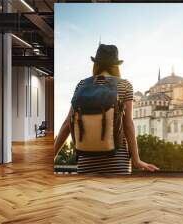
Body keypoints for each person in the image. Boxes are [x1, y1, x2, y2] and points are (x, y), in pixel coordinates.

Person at [54, 44, 159, 174]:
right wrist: (136, 160)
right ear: (116, 65)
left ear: (96, 64)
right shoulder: (124, 85)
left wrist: (52, 155)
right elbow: (128, 124)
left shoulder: (82, 85)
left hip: (86, 161)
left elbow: (67, 124)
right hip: (117, 162)